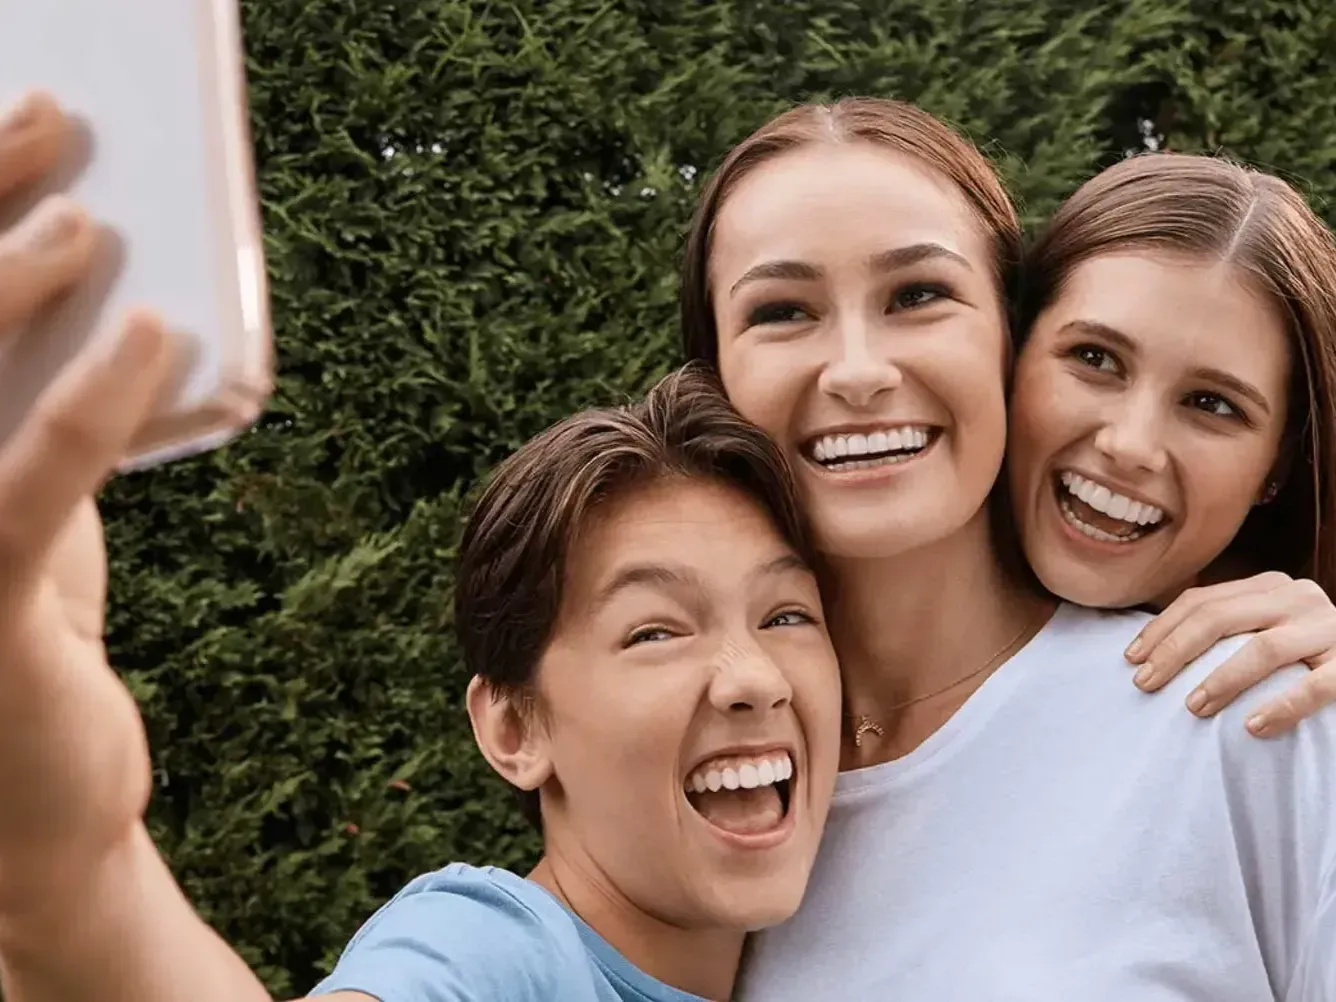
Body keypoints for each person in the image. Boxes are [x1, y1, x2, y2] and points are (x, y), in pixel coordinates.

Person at [0, 92, 844, 1002]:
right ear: (514, 728)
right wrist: (71, 880)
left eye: (786, 613)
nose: (753, 676)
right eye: (654, 631)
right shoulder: (497, 949)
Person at [678, 97, 1336, 997]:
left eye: (918, 295)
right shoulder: (700, 763)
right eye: (782, 311)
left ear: (1002, 334)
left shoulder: (1255, 716)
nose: (862, 372)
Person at [1007, 152, 1336, 733]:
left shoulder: (1292, 708)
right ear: (1011, 349)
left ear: (1277, 465)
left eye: (1211, 404)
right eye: (1095, 358)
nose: (1131, 446)